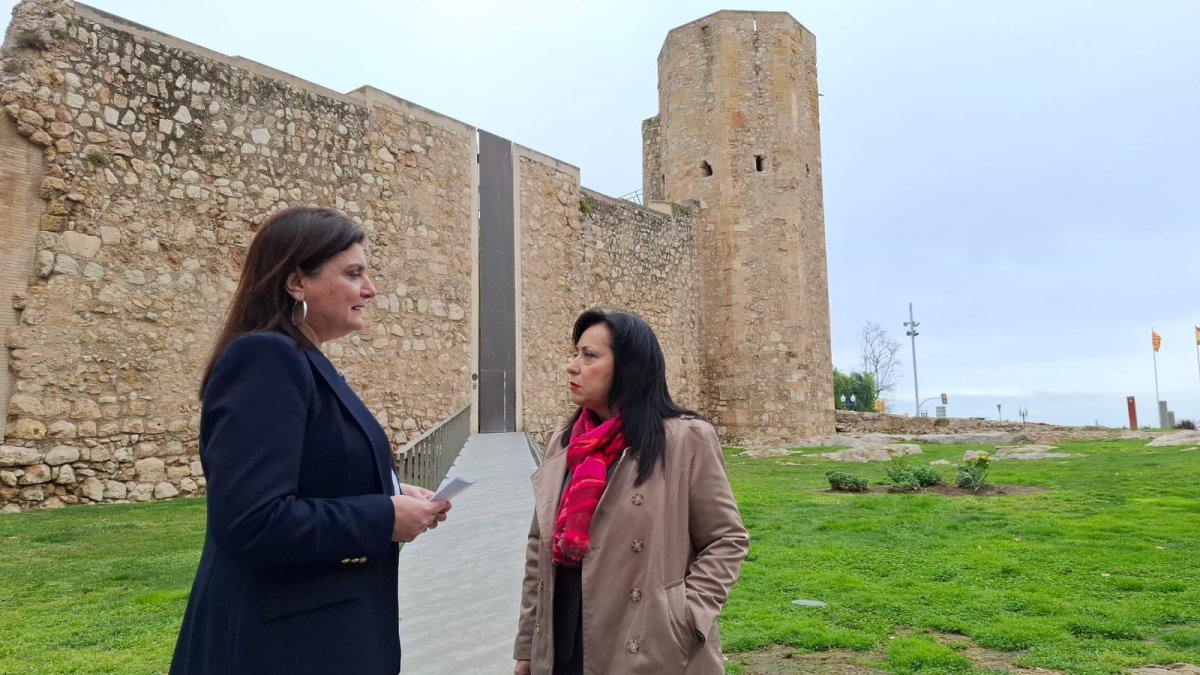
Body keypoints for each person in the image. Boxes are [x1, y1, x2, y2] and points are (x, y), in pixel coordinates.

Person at [170, 207, 451, 675]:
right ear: (297, 282)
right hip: (278, 645)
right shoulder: (266, 358)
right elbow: (251, 521)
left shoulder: (303, 361)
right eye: (354, 273)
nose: (370, 289)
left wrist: (397, 496)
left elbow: (315, 475)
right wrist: (384, 517)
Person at [513, 308, 750, 674]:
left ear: (627, 367)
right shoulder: (563, 443)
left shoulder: (684, 439)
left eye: (589, 355)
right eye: (576, 353)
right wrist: (528, 645)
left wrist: (686, 615)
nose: (572, 366)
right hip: (562, 643)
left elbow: (726, 538)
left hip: (651, 646)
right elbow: (537, 547)